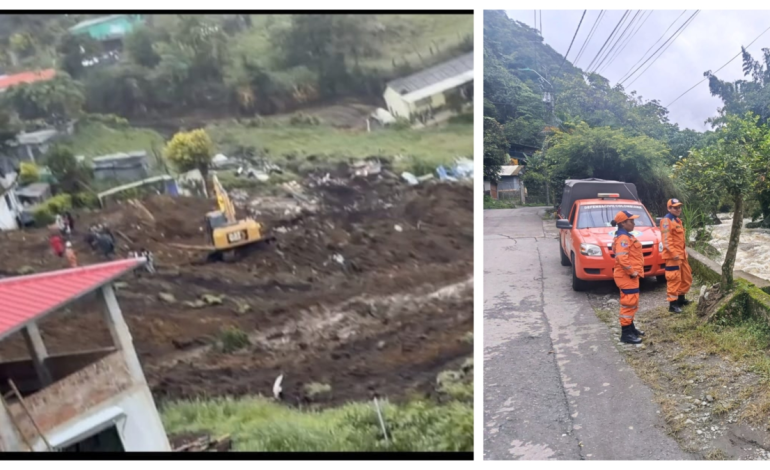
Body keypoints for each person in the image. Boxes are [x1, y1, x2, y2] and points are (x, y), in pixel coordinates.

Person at [611, 210, 645, 344]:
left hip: (628, 276)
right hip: (626, 276)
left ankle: (631, 328)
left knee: (632, 303)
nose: (634, 223)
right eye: (631, 221)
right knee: (628, 303)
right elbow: (621, 258)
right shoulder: (623, 238)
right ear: (623, 223)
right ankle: (626, 334)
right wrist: (632, 271)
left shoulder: (626, 236)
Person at [660, 198, 692, 313]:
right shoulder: (666, 221)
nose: (678, 209)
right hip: (673, 257)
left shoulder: (677, 220)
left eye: (679, 207)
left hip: (682, 256)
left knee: (686, 277)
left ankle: (681, 299)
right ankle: (672, 305)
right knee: (674, 279)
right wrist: (674, 254)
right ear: (669, 208)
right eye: (675, 207)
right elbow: (666, 241)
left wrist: (684, 252)